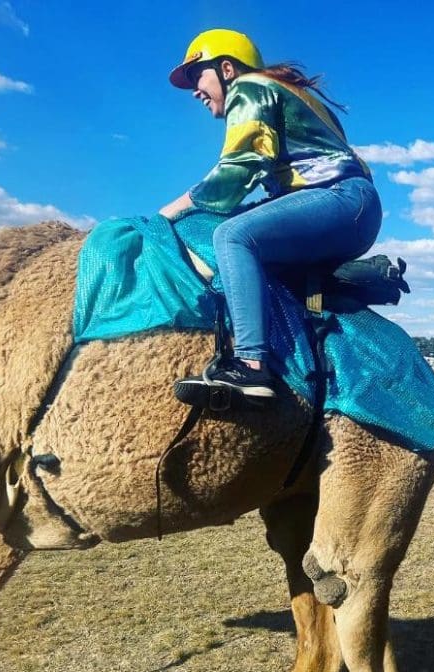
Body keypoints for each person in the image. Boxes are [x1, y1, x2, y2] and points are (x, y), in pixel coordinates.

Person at [160, 29, 381, 398]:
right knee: (238, 232)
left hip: (337, 198)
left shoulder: (249, 87)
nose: (195, 90)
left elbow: (238, 168)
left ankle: (250, 365)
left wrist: (167, 212)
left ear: (227, 68)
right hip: (347, 205)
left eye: (198, 75)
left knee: (231, 235)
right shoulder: (291, 93)